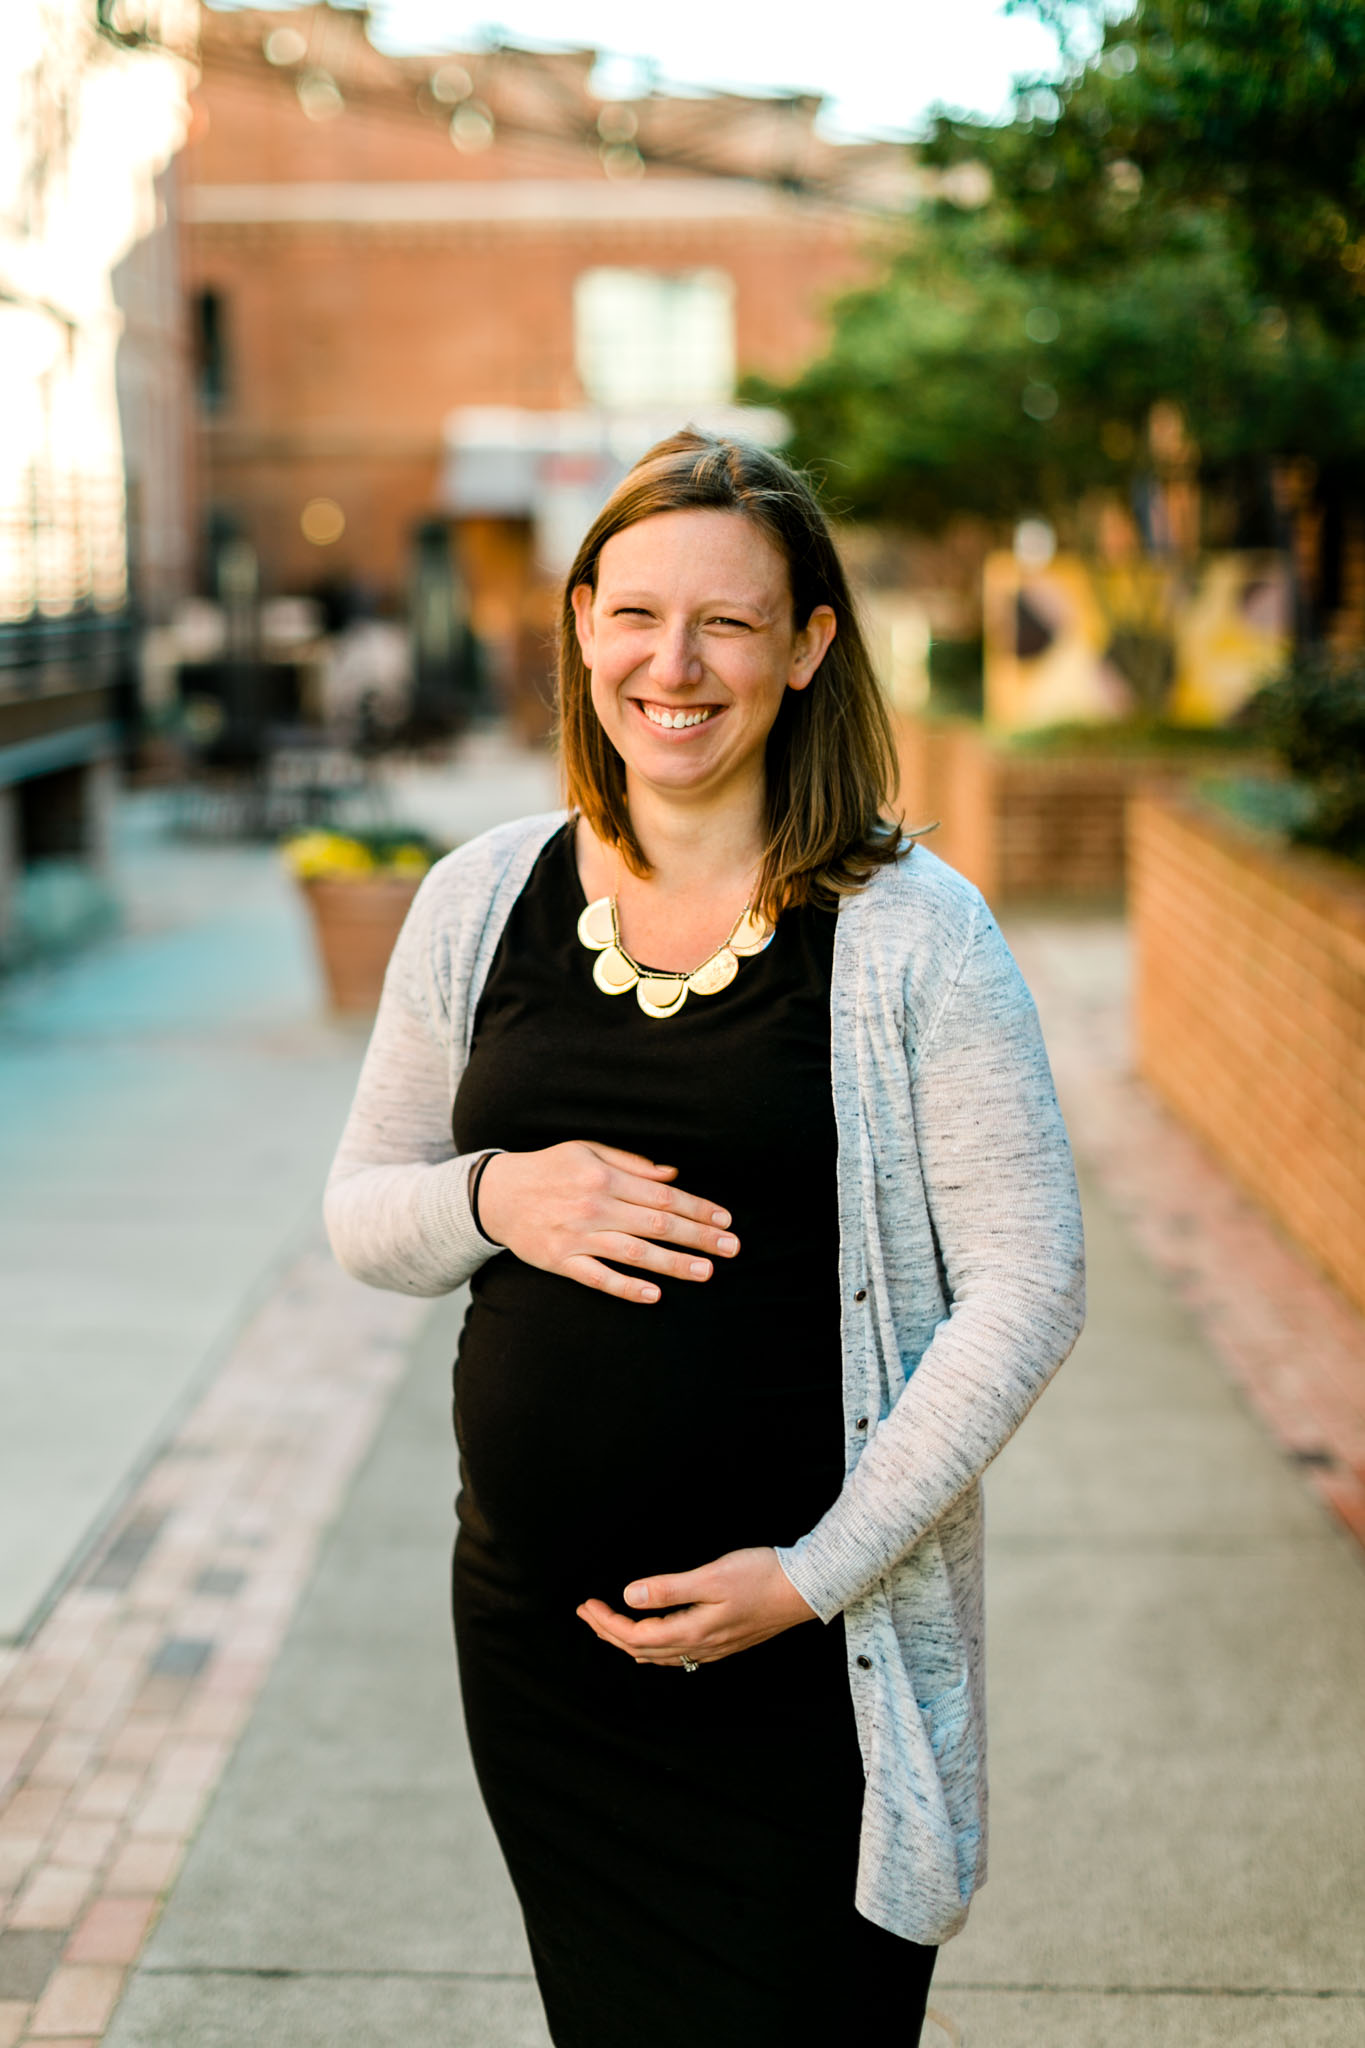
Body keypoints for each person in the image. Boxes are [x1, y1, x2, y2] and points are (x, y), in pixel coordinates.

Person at [324, 429, 1086, 2048]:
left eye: (728, 624)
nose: (675, 666)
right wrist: (492, 1196)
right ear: (583, 624)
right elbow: (362, 1213)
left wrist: (809, 1581)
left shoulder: (911, 934)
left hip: (812, 1655)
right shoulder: (478, 897)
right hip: (542, 1657)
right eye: (636, 614)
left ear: (809, 645)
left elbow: (1027, 1283)